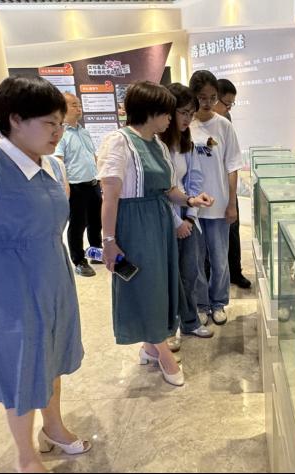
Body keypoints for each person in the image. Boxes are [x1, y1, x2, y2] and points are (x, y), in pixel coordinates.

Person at [0, 75, 89, 474]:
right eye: (49, 123)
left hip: (51, 272)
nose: (58, 132)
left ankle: (54, 427)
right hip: (5, 283)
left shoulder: (53, 166)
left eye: (60, 123)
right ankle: (25, 455)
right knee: (21, 364)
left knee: (52, 352)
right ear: (15, 119)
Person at [97, 81, 213, 387]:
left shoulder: (159, 145)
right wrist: (109, 241)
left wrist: (191, 200)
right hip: (133, 225)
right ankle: (163, 354)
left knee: (160, 286)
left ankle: (150, 347)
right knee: (145, 287)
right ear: (150, 112)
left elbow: (168, 190)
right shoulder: (118, 142)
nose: (171, 118)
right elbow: (110, 196)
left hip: (158, 222)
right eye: (166, 112)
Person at [189, 70, 243, 326]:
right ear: (193, 96)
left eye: (213, 97)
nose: (208, 102)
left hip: (220, 206)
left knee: (221, 259)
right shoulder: (186, 124)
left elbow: (232, 166)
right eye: (202, 97)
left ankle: (219, 302)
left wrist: (232, 203)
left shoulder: (224, 126)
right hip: (193, 207)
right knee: (197, 261)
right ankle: (201, 304)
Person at [160, 83, 213, 339]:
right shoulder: (156, 143)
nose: (187, 119)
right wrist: (176, 222)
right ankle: (168, 329)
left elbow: (194, 179)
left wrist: (190, 216)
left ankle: (190, 322)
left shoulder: (185, 143)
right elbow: (159, 189)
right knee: (168, 276)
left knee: (190, 272)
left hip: (188, 214)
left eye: (191, 114)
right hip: (165, 218)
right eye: (183, 112)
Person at [54, 92, 102, 277]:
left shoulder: (84, 132)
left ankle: (96, 252)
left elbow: (92, 155)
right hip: (75, 187)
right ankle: (79, 260)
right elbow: (58, 161)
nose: (78, 108)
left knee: (96, 222)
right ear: (62, 109)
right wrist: (64, 185)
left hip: (93, 183)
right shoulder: (61, 134)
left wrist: (101, 177)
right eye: (74, 104)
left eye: (79, 104)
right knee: (77, 225)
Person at [213, 78, 251, 290]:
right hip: (207, 190)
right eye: (226, 103)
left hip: (227, 185)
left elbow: (232, 160)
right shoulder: (194, 122)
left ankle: (235, 272)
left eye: (231, 104)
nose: (229, 108)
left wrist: (232, 200)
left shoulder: (225, 121)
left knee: (232, 232)